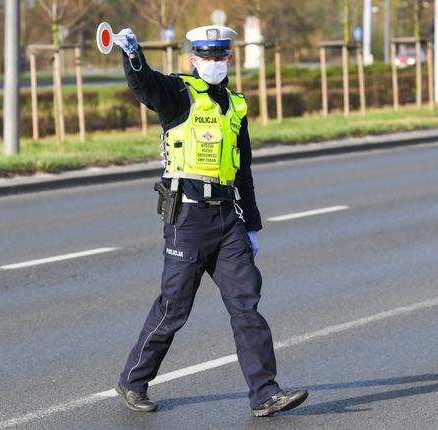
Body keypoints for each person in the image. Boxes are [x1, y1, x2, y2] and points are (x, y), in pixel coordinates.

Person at [112, 25, 308, 417]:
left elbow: (244, 169)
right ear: (193, 59)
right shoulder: (178, 94)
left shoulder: (235, 104)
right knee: (174, 307)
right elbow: (146, 87)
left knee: (246, 304)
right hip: (188, 218)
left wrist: (251, 224)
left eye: (220, 56)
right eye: (206, 56)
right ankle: (133, 381)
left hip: (227, 219)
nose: (214, 63)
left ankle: (265, 393)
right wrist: (133, 57)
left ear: (229, 59)